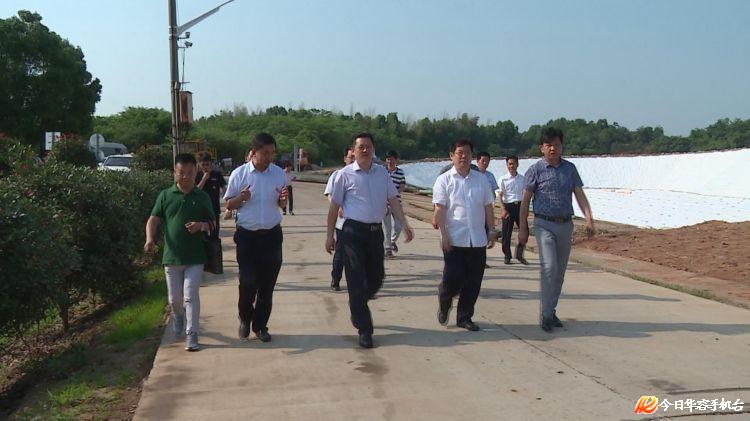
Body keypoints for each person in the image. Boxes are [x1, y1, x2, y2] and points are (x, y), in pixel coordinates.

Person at [325, 132, 414, 348]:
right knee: (355, 278)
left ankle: (356, 302)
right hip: (352, 233)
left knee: (376, 278)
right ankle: (364, 329)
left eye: (368, 146)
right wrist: (329, 235)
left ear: (374, 150)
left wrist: (405, 224)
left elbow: (393, 199)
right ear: (353, 151)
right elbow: (334, 206)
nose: (365, 150)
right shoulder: (344, 175)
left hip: (375, 232)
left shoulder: (382, 173)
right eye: (361, 147)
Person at [518, 127, 594, 333]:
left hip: (565, 225)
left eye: (557, 145)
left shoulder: (570, 169)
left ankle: (551, 311)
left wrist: (588, 217)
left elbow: (579, 194)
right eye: (549, 145)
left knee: (559, 273)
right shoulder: (535, 170)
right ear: (541, 148)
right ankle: (545, 314)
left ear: (562, 147)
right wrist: (523, 228)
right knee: (549, 267)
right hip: (544, 224)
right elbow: (525, 202)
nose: (553, 148)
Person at [144, 153, 215, 351]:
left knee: (190, 296)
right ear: (174, 172)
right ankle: (178, 315)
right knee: (174, 299)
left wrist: (201, 226)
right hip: (172, 257)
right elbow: (153, 219)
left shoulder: (202, 197)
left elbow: (212, 223)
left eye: (190, 173)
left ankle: (192, 334)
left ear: (196, 172)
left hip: (195, 257)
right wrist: (149, 239)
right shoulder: (165, 195)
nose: (185, 177)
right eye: (181, 172)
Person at [224, 133, 288, 343]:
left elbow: (281, 205)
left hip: (271, 235)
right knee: (248, 281)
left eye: (272, 153)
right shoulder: (239, 174)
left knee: (267, 286)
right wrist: (241, 198)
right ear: (254, 152)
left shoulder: (278, 174)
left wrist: (283, 201)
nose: (269, 157)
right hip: (247, 237)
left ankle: (260, 326)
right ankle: (245, 317)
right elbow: (229, 205)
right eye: (265, 153)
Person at [433, 139, 496, 332]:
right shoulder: (444, 180)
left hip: (477, 239)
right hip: (454, 239)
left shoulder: (481, 180)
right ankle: (445, 298)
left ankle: (464, 317)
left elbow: (488, 207)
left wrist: (492, 230)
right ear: (451, 156)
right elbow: (439, 209)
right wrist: (444, 235)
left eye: (467, 153)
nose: (463, 156)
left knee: (473, 282)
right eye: (459, 153)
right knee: (452, 280)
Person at [324, 147, 355, 291]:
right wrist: (338, 207)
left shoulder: (364, 175)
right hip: (342, 224)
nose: (353, 160)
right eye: (350, 157)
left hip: (360, 224)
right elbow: (330, 195)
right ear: (345, 159)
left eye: (354, 157)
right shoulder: (337, 174)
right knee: (341, 253)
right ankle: (335, 278)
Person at [498, 155, 526, 265]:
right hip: (508, 207)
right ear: (507, 165)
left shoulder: (522, 179)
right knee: (506, 233)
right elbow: (500, 196)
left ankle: (519, 253)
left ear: (517, 164)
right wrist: (502, 209)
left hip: (520, 206)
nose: (511, 166)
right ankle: (507, 256)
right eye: (509, 164)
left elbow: (525, 194)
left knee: (525, 231)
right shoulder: (503, 179)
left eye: (513, 163)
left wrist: (525, 209)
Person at [196, 152, 227, 237]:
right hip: (201, 211)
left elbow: (224, 189)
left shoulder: (217, 174)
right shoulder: (197, 175)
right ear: (199, 164)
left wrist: (228, 203)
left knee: (214, 235)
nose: (206, 167)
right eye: (203, 165)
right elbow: (196, 191)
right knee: (202, 236)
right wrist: (204, 179)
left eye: (207, 164)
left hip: (214, 209)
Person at [383, 150, 406, 258]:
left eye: (392, 159)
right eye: (388, 159)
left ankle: (392, 241)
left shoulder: (400, 172)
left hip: (397, 203)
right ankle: (388, 249)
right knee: (387, 227)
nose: (390, 161)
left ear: (396, 160)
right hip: (384, 204)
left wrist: (394, 193)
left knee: (398, 226)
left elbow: (402, 186)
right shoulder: (382, 172)